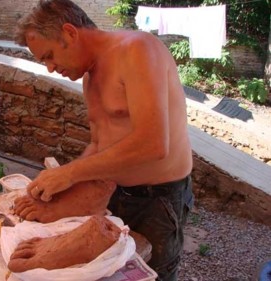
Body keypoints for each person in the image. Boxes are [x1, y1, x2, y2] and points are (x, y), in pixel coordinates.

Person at [13, 0, 194, 280]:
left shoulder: (137, 49)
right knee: (109, 270)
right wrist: (62, 189)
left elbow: (154, 144)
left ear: (70, 33)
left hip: (158, 199)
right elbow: (100, 148)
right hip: (118, 191)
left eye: (49, 55)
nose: (50, 68)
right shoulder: (90, 77)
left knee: (154, 274)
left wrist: (68, 173)